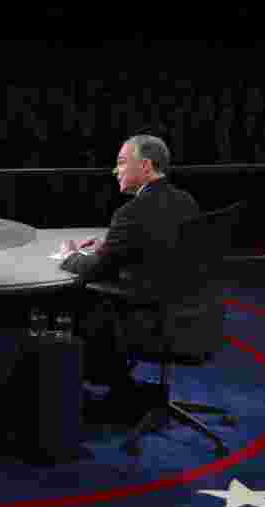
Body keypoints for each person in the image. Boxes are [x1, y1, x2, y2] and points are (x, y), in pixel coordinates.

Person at [59, 134, 200, 410]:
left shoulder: (131, 213)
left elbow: (95, 270)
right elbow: (158, 245)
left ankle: (102, 390)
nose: (116, 170)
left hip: (147, 318)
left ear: (146, 166)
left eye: (122, 162)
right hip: (189, 314)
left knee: (77, 300)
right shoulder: (185, 201)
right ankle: (124, 389)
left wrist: (71, 256)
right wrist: (112, 245)